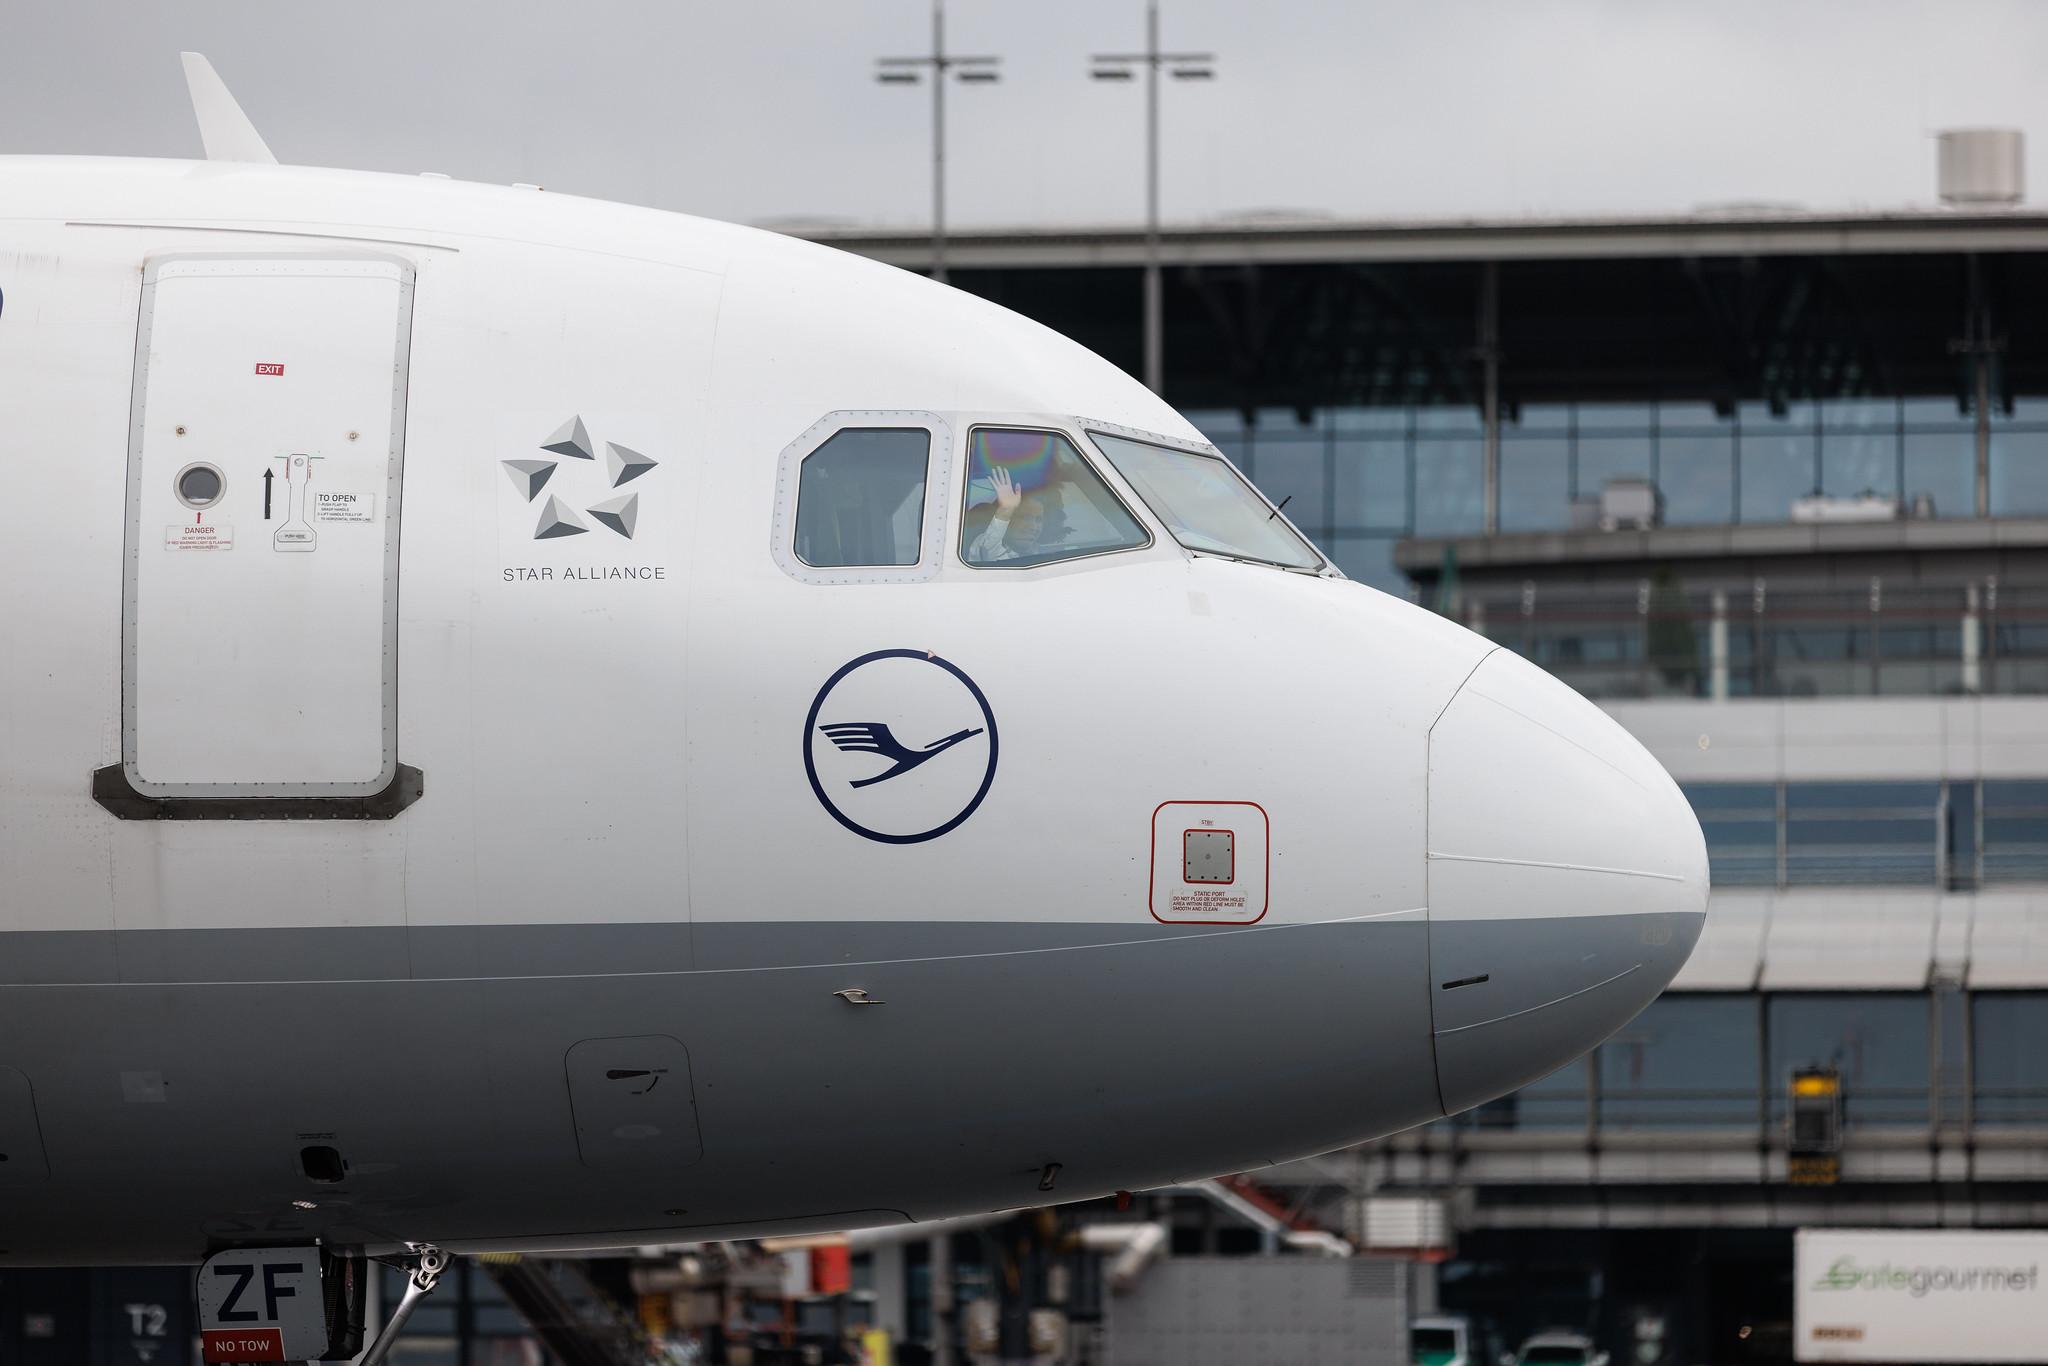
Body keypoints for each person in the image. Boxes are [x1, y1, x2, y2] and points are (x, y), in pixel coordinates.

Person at [966, 466, 1065, 563]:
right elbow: (989, 546)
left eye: (1038, 519)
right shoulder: (988, 548)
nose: (1034, 527)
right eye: (1025, 518)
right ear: (1007, 522)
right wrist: (1006, 510)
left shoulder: (1045, 552)